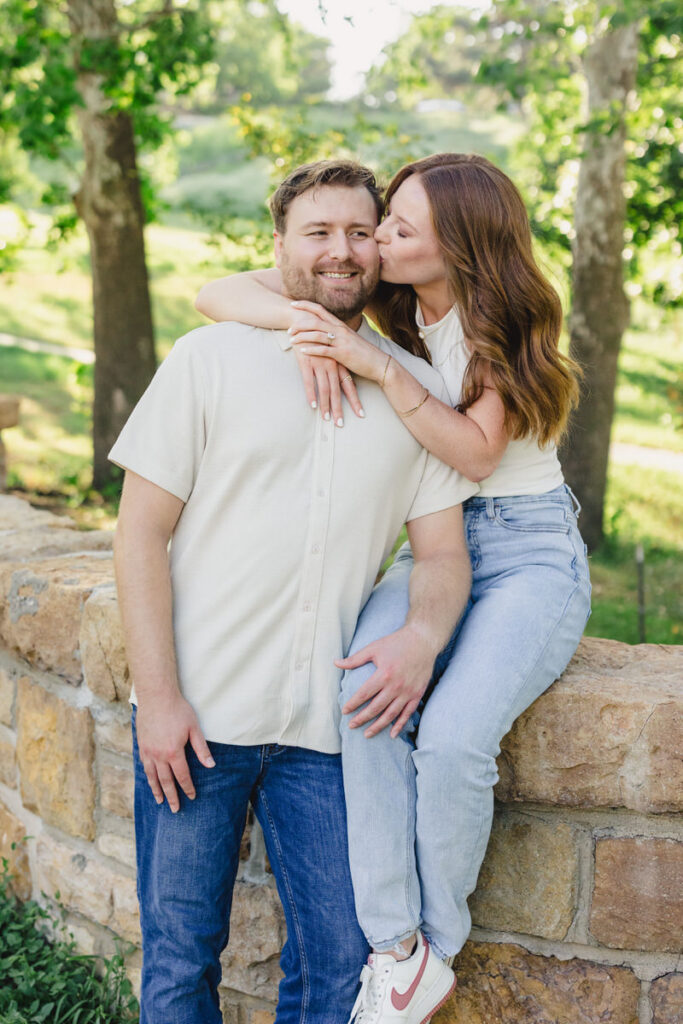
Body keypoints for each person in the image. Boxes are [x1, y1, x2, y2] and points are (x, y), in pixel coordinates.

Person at [195, 152, 592, 1024]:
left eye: (398, 228)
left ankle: (434, 948)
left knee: (450, 741)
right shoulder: (392, 303)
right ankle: (396, 949)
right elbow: (217, 293)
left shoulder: (511, 317)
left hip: (527, 555)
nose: (375, 241)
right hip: (433, 549)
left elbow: (475, 452)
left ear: (457, 245)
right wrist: (309, 327)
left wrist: (373, 367)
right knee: (364, 692)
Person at [111, 159, 477, 1024]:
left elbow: (441, 559)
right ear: (277, 246)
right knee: (179, 956)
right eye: (318, 232)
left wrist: (422, 639)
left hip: (328, 734)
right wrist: (158, 700)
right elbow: (138, 534)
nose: (341, 251)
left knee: (337, 967)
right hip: (196, 715)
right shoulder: (208, 359)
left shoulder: (409, 391)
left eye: (360, 232)